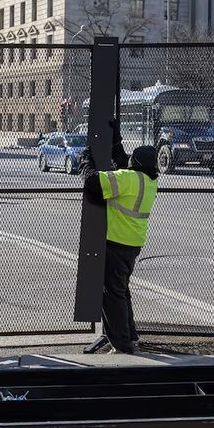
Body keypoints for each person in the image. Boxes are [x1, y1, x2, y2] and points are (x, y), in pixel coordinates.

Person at [78, 120, 159, 354]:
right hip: (132, 244)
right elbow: (124, 162)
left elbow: (92, 182)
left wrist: (85, 158)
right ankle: (129, 334)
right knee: (120, 290)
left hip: (116, 242)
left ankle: (122, 342)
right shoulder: (150, 180)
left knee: (112, 295)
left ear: (137, 163)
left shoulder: (127, 179)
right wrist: (117, 141)